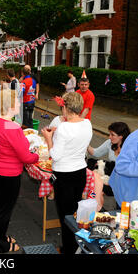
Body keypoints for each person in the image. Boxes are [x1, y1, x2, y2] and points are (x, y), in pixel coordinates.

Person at [0, 89, 39, 253]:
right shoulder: (12, 127)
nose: (20, 104)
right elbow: (26, 157)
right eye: (17, 102)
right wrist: (37, 155)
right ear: (9, 105)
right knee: (4, 210)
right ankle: (0, 244)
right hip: (7, 174)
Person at [42, 92, 93, 254]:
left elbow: (55, 155)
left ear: (66, 107)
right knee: (74, 213)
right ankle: (75, 246)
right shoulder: (87, 124)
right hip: (80, 173)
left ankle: (67, 250)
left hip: (64, 175)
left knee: (65, 216)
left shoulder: (64, 127)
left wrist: (49, 137)